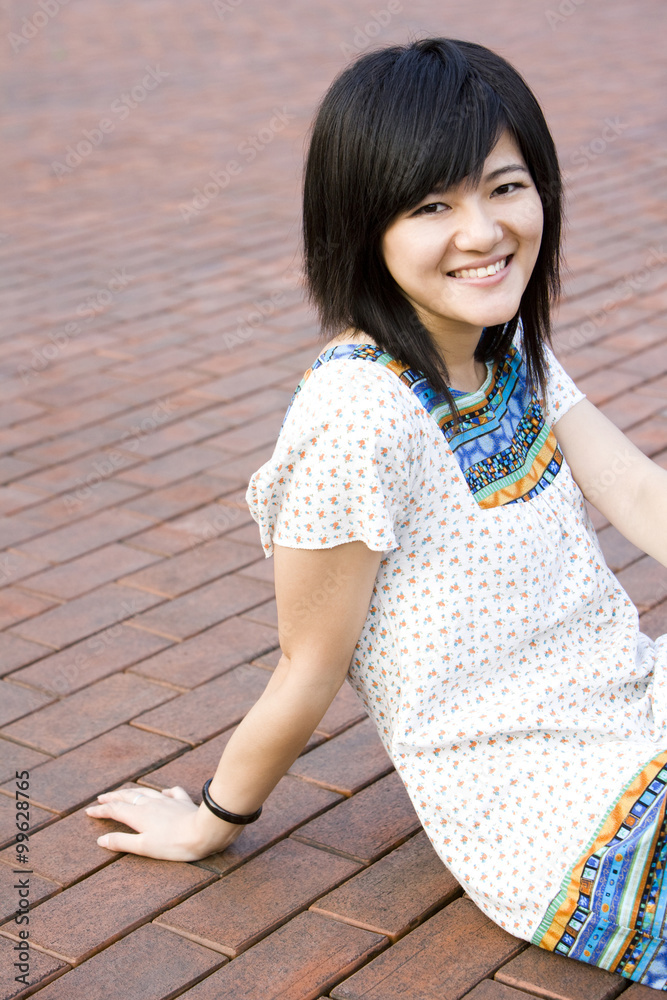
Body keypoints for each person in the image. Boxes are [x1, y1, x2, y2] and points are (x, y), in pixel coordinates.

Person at [86, 38, 667, 989]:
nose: (481, 232)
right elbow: (306, 668)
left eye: (504, 187)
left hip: (632, 705)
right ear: (363, 227)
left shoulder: (502, 348)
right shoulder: (355, 415)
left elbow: (639, 491)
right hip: (553, 808)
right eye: (431, 205)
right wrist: (208, 822)